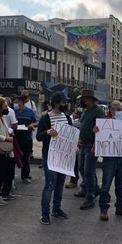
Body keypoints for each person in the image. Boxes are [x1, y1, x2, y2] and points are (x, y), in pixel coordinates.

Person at [36, 92, 72, 225]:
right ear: (56, 103)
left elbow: (70, 136)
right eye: (63, 102)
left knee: (59, 185)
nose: (66, 104)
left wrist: (74, 146)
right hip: (50, 157)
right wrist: (47, 132)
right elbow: (38, 137)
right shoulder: (46, 118)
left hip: (63, 157)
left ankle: (56, 209)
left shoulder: (67, 118)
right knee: (49, 185)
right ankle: (45, 214)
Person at [95, 100, 122, 221]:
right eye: (118, 110)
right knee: (106, 185)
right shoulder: (104, 123)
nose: (120, 112)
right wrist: (96, 132)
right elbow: (98, 137)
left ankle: (120, 207)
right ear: (111, 111)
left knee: (121, 185)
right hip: (109, 159)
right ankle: (104, 209)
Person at [76, 89, 105, 210]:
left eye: (86, 99)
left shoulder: (98, 111)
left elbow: (101, 130)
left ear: (91, 99)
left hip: (91, 145)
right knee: (82, 168)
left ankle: (90, 196)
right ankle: (91, 188)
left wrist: (94, 145)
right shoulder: (86, 111)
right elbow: (82, 125)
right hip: (83, 144)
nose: (84, 101)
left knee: (89, 171)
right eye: (83, 99)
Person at [13, 94, 38, 184]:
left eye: (18, 102)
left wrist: (32, 125)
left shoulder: (30, 112)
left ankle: (25, 176)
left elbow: (36, 122)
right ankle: (11, 176)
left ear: (23, 102)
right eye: (15, 102)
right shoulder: (13, 112)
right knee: (13, 157)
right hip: (15, 138)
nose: (16, 103)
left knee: (25, 157)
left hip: (26, 137)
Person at [65, 109, 82, 189]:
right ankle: (74, 180)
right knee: (75, 162)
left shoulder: (77, 121)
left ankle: (74, 180)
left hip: (80, 143)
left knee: (78, 164)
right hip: (75, 143)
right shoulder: (73, 119)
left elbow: (72, 123)